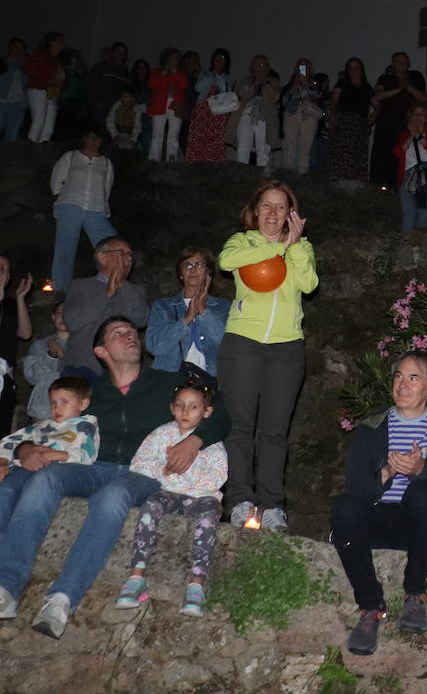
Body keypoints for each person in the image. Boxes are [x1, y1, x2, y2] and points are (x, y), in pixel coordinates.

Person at [0, 317, 229, 637]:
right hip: (93, 465)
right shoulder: (91, 390)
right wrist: (25, 446)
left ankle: (63, 597)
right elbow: (54, 427)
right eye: (118, 333)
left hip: (143, 471)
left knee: (113, 497)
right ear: (101, 350)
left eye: (132, 331)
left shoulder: (166, 383)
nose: (130, 336)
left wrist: (194, 440)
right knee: (45, 478)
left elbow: (218, 412)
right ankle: (6, 587)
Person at [331, 351, 427, 655]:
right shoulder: (372, 427)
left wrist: (421, 471)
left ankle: (415, 594)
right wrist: (387, 473)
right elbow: (356, 490)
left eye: (413, 377)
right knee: (343, 507)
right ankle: (370, 608)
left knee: (421, 492)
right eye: (398, 376)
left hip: (421, 525)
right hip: (379, 519)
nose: (403, 384)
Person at [218, 181, 318, 532]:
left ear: (291, 214)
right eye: (267, 206)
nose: (273, 213)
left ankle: (273, 506)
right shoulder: (242, 241)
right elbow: (226, 261)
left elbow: (308, 285)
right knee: (241, 425)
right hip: (243, 342)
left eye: (281, 207)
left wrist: (294, 248)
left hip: (287, 347)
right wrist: (274, 251)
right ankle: (240, 500)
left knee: (275, 431)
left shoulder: (301, 248)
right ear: (256, 210)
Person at [114, 382, 228, 618]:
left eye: (193, 407)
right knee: (150, 506)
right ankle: (136, 577)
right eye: (180, 406)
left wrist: (184, 478)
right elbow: (139, 462)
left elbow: (218, 476)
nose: (185, 412)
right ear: (172, 408)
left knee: (209, 515)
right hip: (167, 491)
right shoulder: (162, 434)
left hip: (200, 497)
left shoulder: (211, 442)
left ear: (206, 412)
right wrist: (164, 469)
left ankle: (196, 584)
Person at [0, 377, 99, 504]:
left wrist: (51, 455)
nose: (57, 408)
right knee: (5, 490)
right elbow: (10, 441)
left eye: (64, 402)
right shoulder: (42, 426)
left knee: (31, 493)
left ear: (83, 404)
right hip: (23, 469)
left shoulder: (85, 427)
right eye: (53, 403)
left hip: (55, 471)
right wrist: (3, 462)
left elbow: (87, 455)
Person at [61, 237, 148, 380]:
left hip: (122, 371)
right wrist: (107, 294)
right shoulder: (80, 286)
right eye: (121, 253)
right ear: (102, 257)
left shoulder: (135, 291)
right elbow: (73, 321)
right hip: (83, 367)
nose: (128, 258)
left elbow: (140, 319)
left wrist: (122, 285)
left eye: (130, 255)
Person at [49, 127, 118, 292]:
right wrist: (63, 195)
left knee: (113, 246)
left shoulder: (107, 163)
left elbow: (106, 189)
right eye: (91, 137)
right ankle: (60, 289)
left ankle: (114, 283)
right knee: (65, 247)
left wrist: (101, 205)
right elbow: (56, 181)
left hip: (96, 208)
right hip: (70, 204)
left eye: (98, 138)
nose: (94, 141)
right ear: (84, 138)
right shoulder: (71, 156)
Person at [147, 248, 231, 378]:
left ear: (209, 272)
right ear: (180, 274)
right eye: (187, 265)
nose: (193, 269)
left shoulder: (223, 306)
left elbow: (228, 345)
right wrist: (187, 319)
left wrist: (203, 311)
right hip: (171, 380)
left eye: (200, 264)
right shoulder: (163, 306)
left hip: (211, 383)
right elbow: (153, 346)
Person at [370, 51, 427, 187]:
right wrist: (400, 89)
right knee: (382, 155)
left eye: (404, 61)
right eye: (398, 61)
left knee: (401, 155)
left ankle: (398, 185)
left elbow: (423, 98)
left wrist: (407, 86)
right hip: (385, 123)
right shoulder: (385, 78)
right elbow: (378, 95)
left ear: (409, 64)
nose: (401, 64)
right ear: (393, 63)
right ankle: (379, 185)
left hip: (405, 124)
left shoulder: (415, 77)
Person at [394, 104, 427, 233]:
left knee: (425, 213)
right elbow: (396, 153)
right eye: (415, 114)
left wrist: (419, 135)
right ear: (410, 117)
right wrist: (411, 136)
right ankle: (406, 244)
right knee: (408, 213)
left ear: (426, 119)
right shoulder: (404, 135)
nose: (418, 117)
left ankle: (422, 244)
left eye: (421, 114)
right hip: (407, 174)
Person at [0, 255, 34, 430]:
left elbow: (25, 333)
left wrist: (20, 298)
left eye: (6, 269)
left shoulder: (11, 304)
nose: (3, 272)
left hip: (4, 376)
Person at [328, 57, 374, 183]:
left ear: (361, 70)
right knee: (342, 152)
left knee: (357, 153)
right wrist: (332, 119)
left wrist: (374, 115)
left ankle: (356, 182)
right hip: (344, 122)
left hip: (360, 124)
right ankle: (340, 181)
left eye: (356, 68)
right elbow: (333, 102)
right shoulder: (342, 84)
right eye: (351, 68)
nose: (354, 70)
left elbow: (377, 103)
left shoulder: (367, 87)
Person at [184, 48, 233, 163]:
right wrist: (213, 74)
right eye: (217, 56)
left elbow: (226, 91)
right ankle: (195, 165)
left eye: (222, 57)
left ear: (226, 61)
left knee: (215, 140)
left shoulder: (229, 77)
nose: (219, 60)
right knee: (198, 139)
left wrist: (219, 77)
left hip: (218, 113)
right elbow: (198, 87)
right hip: (202, 110)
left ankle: (213, 166)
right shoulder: (204, 73)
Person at [22, 304, 69, 421]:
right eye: (60, 312)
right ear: (53, 317)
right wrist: (50, 356)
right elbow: (31, 377)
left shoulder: (84, 346)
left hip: (74, 411)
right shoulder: (40, 345)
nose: (64, 316)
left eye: (69, 311)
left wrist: (62, 356)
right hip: (43, 411)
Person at [279, 59, 322, 175]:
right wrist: (295, 85)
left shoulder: (314, 85)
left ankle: (302, 172)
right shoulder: (289, 85)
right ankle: (288, 171)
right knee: (289, 143)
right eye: (300, 68)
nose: (302, 71)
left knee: (305, 145)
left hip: (308, 116)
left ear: (310, 71)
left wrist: (305, 86)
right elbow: (283, 101)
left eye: (306, 68)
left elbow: (316, 100)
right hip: (291, 114)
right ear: (295, 70)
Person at [230, 55, 274, 166]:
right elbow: (244, 95)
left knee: (263, 152)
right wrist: (256, 83)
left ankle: (264, 179)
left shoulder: (272, 82)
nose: (260, 68)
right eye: (257, 65)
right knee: (242, 149)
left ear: (267, 68)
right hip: (246, 116)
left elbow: (273, 98)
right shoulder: (245, 80)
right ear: (252, 67)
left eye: (263, 65)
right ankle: (241, 178)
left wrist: (265, 83)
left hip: (264, 118)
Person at [146, 47, 188, 162]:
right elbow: (151, 84)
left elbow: (184, 85)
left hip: (176, 106)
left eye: (176, 58)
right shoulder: (157, 71)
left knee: (174, 135)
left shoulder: (180, 73)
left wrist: (174, 72)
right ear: (166, 58)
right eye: (171, 57)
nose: (174, 60)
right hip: (159, 105)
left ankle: (172, 160)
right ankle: (153, 160)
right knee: (157, 135)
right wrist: (163, 73)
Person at [25, 32, 65, 144]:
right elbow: (29, 68)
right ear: (52, 42)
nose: (63, 44)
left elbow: (63, 79)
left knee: (49, 127)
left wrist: (61, 84)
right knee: (38, 122)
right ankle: (29, 152)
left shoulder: (58, 60)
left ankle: (41, 153)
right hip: (38, 90)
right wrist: (49, 79)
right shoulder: (39, 55)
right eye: (60, 41)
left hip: (52, 94)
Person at [86, 41, 131, 129]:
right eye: (117, 51)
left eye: (122, 53)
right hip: (100, 109)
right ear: (111, 52)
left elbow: (129, 93)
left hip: (117, 113)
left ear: (125, 56)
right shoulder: (100, 67)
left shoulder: (127, 74)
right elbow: (90, 86)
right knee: (98, 134)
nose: (119, 54)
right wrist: (95, 104)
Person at [0, 38, 30, 141]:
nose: (18, 50)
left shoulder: (26, 66)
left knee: (12, 136)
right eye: (16, 47)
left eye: (21, 48)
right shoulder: (2, 62)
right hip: (2, 102)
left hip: (19, 105)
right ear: (9, 48)